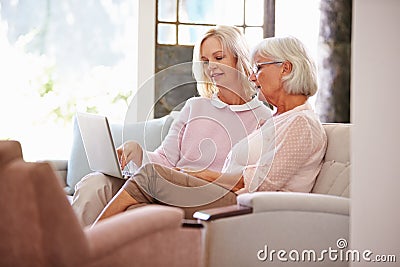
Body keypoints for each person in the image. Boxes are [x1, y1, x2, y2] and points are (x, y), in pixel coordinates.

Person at [93, 36, 328, 224]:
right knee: (139, 207)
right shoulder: (280, 119)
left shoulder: (302, 123)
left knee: (150, 176)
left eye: (258, 68)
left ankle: (82, 248)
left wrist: (198, 175)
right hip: (232, 197)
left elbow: (260, 184)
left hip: (250, 208)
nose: (253, 77)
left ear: (285, 68)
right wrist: (191, 175)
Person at [72, 25, 272, 226]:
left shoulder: (263, 118)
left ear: (240, 59)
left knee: (142, 199)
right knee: (95, 184)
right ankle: (73, 251)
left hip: (205, 195)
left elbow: (252, 178)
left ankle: (86, 247)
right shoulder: (194, 107)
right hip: (166, 184)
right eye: (205, 61)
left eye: (219, 58)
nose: (211, 67)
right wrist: (138, 152)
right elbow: (165, 160)